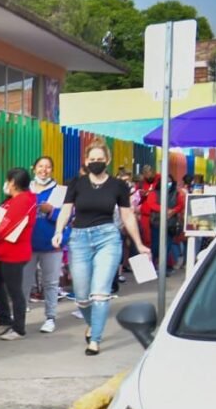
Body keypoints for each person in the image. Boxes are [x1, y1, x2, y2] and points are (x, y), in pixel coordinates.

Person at [53, 143, 149, 356]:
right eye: (92, 159)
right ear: (86, 161)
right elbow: (66, 210)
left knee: (100, 294)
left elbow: (127, 216)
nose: (96, 162)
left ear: (107, 160)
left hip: (107, 237)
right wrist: (59, 231)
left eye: (100, 159)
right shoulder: (77, 183)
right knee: (82, 296)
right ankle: (93, 324)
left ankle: (95, 339)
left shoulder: (118, 186)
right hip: (79, 239)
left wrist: (139, 243)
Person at [0, 169, 37, 341]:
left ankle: (19, 328)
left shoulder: (23, 201)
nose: (6, 184)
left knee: (14, 291)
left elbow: (6, 225)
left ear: (13, 182)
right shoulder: (11, 201)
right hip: (0, 252)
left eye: (8, 181)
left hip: (14, 253)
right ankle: (5, 321)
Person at [25, 156, 68, 334]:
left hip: (52, 244)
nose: (44, 170)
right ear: (33, 168)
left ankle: (50, 317)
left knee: (50, 283)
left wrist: (51, 211)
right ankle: (19, 317)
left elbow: (68, 217)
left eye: (48, 167)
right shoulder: (26, 189)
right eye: (41, 166)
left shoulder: (60, 191)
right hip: (27, 244)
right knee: (24, 282)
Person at [142, 175, 185, 274]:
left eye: (169, 181)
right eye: (166, 181)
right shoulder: (154, 193)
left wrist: (173, 211)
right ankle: (152, 266)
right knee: (155, 246)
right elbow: (151, 204)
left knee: (168, 246)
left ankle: (163, 268)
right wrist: (164, 210)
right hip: (157, 222)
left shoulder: (176, 193)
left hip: (171, 224)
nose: (168, 183)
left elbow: (180, 204)